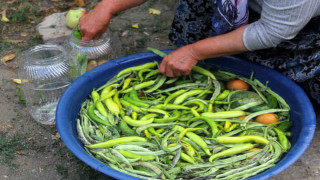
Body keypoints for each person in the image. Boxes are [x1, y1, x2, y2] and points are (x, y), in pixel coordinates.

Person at [79, 0, 320, 104]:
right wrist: (107, 6)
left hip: (299, 24)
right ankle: (220, 45)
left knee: (292, 85)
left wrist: (194, 52)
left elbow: (273, 30)